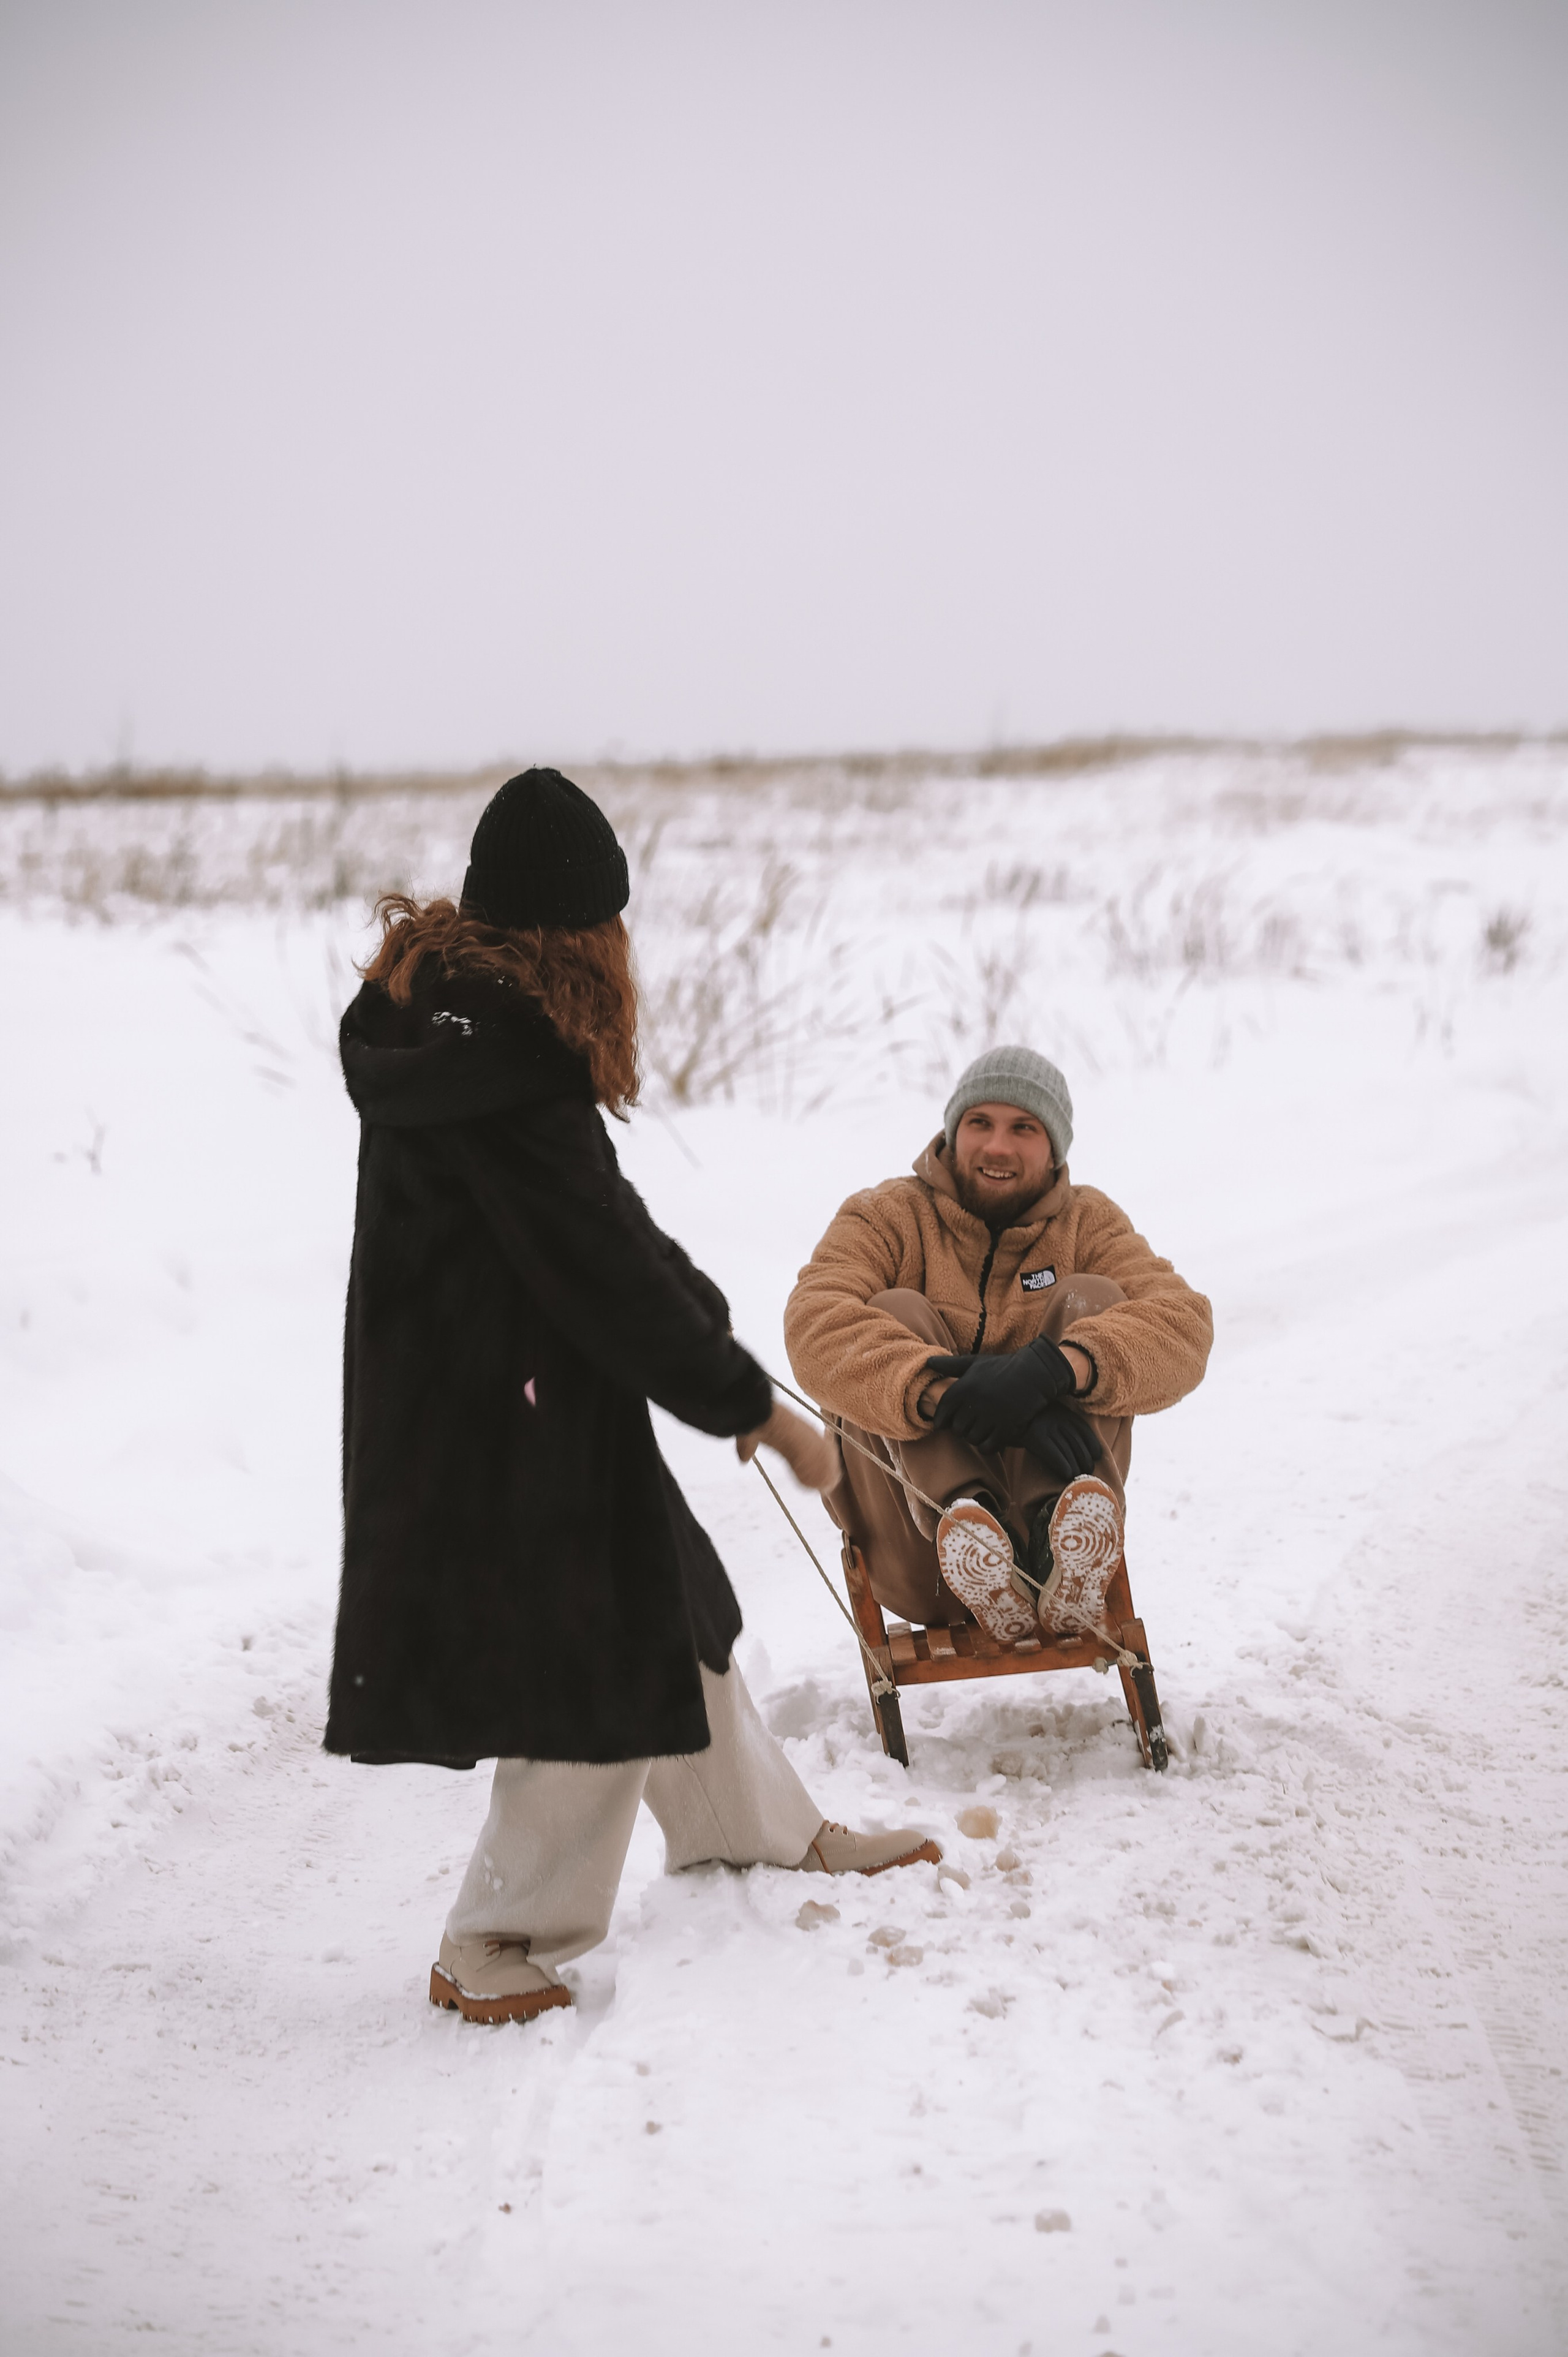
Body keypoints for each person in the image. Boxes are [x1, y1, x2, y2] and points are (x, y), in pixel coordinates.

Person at [325, 768, 938, 2026]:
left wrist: (700, 1315)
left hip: (504, 1387)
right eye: (608, 921)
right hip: (502, 1409)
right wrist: (754, 1410)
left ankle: (740, 1824)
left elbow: (594, 1219)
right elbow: (595, 1261)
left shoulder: (462, 1025)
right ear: (572, 931)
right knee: (587, 1658)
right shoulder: (501, 1056)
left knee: (672, 1594)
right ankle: (493, 1940)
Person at [783, 1044, 1212, 1646]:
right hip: (919, 1556)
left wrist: (1057, 1370)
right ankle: (970, 1526)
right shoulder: (886, 1215)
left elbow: (1184, 1325)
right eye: (978, 1122)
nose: (997, 1146)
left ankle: (1053, 1545)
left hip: (1062, 1561)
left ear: (1054, 1146)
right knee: (893, 1311)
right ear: (952, 1130)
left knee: (1094, 1298)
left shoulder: (1088, 1225)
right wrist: (949, 1392)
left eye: (1024, 1127)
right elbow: (814, 1323)